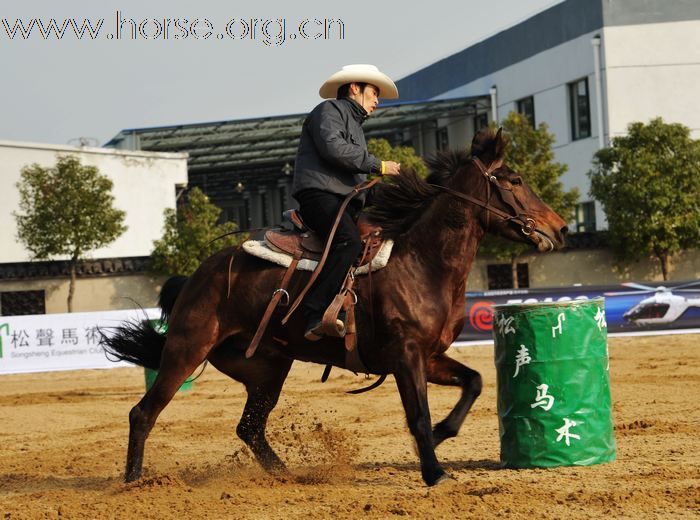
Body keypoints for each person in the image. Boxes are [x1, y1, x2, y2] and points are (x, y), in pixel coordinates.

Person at [292, 64, 401, 341]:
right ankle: (315, 313)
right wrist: (379, 165)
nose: (377, 100)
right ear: (354, 87)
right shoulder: (328, 111)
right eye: (374, 93)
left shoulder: (354, 125)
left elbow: (355, 180)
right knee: (348, 242)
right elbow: (334, 149)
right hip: (319, 196)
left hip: (343, 198)